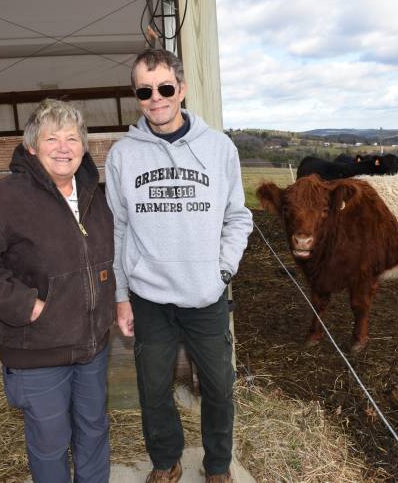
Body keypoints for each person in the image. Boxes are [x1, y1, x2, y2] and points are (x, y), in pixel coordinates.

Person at [0, 99, 115, 482]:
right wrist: (28, 306)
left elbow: (103, 259)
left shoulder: (95, 195)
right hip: (37, 350)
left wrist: (112, 303)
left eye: (72, 138)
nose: (63, 147)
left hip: (92, 347)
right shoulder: (2, 200)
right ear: (31, 147)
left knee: (94, 431)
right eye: (51, 138)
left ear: (84, 147)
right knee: (51, 443)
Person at [105, 49, 253, 483]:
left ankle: (218, 466)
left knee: (220, 388)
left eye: (166, 88)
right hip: (148, 297)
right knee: (153, 389)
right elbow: (117, 228)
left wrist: (223, 270)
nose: (157, 98)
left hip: (206, 295)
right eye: (145, 91)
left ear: (182, 90)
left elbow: (238, 216)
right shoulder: (123, 156)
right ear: (137, 96)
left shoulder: (218, 148)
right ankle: (166, 461)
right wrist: (120, 295)